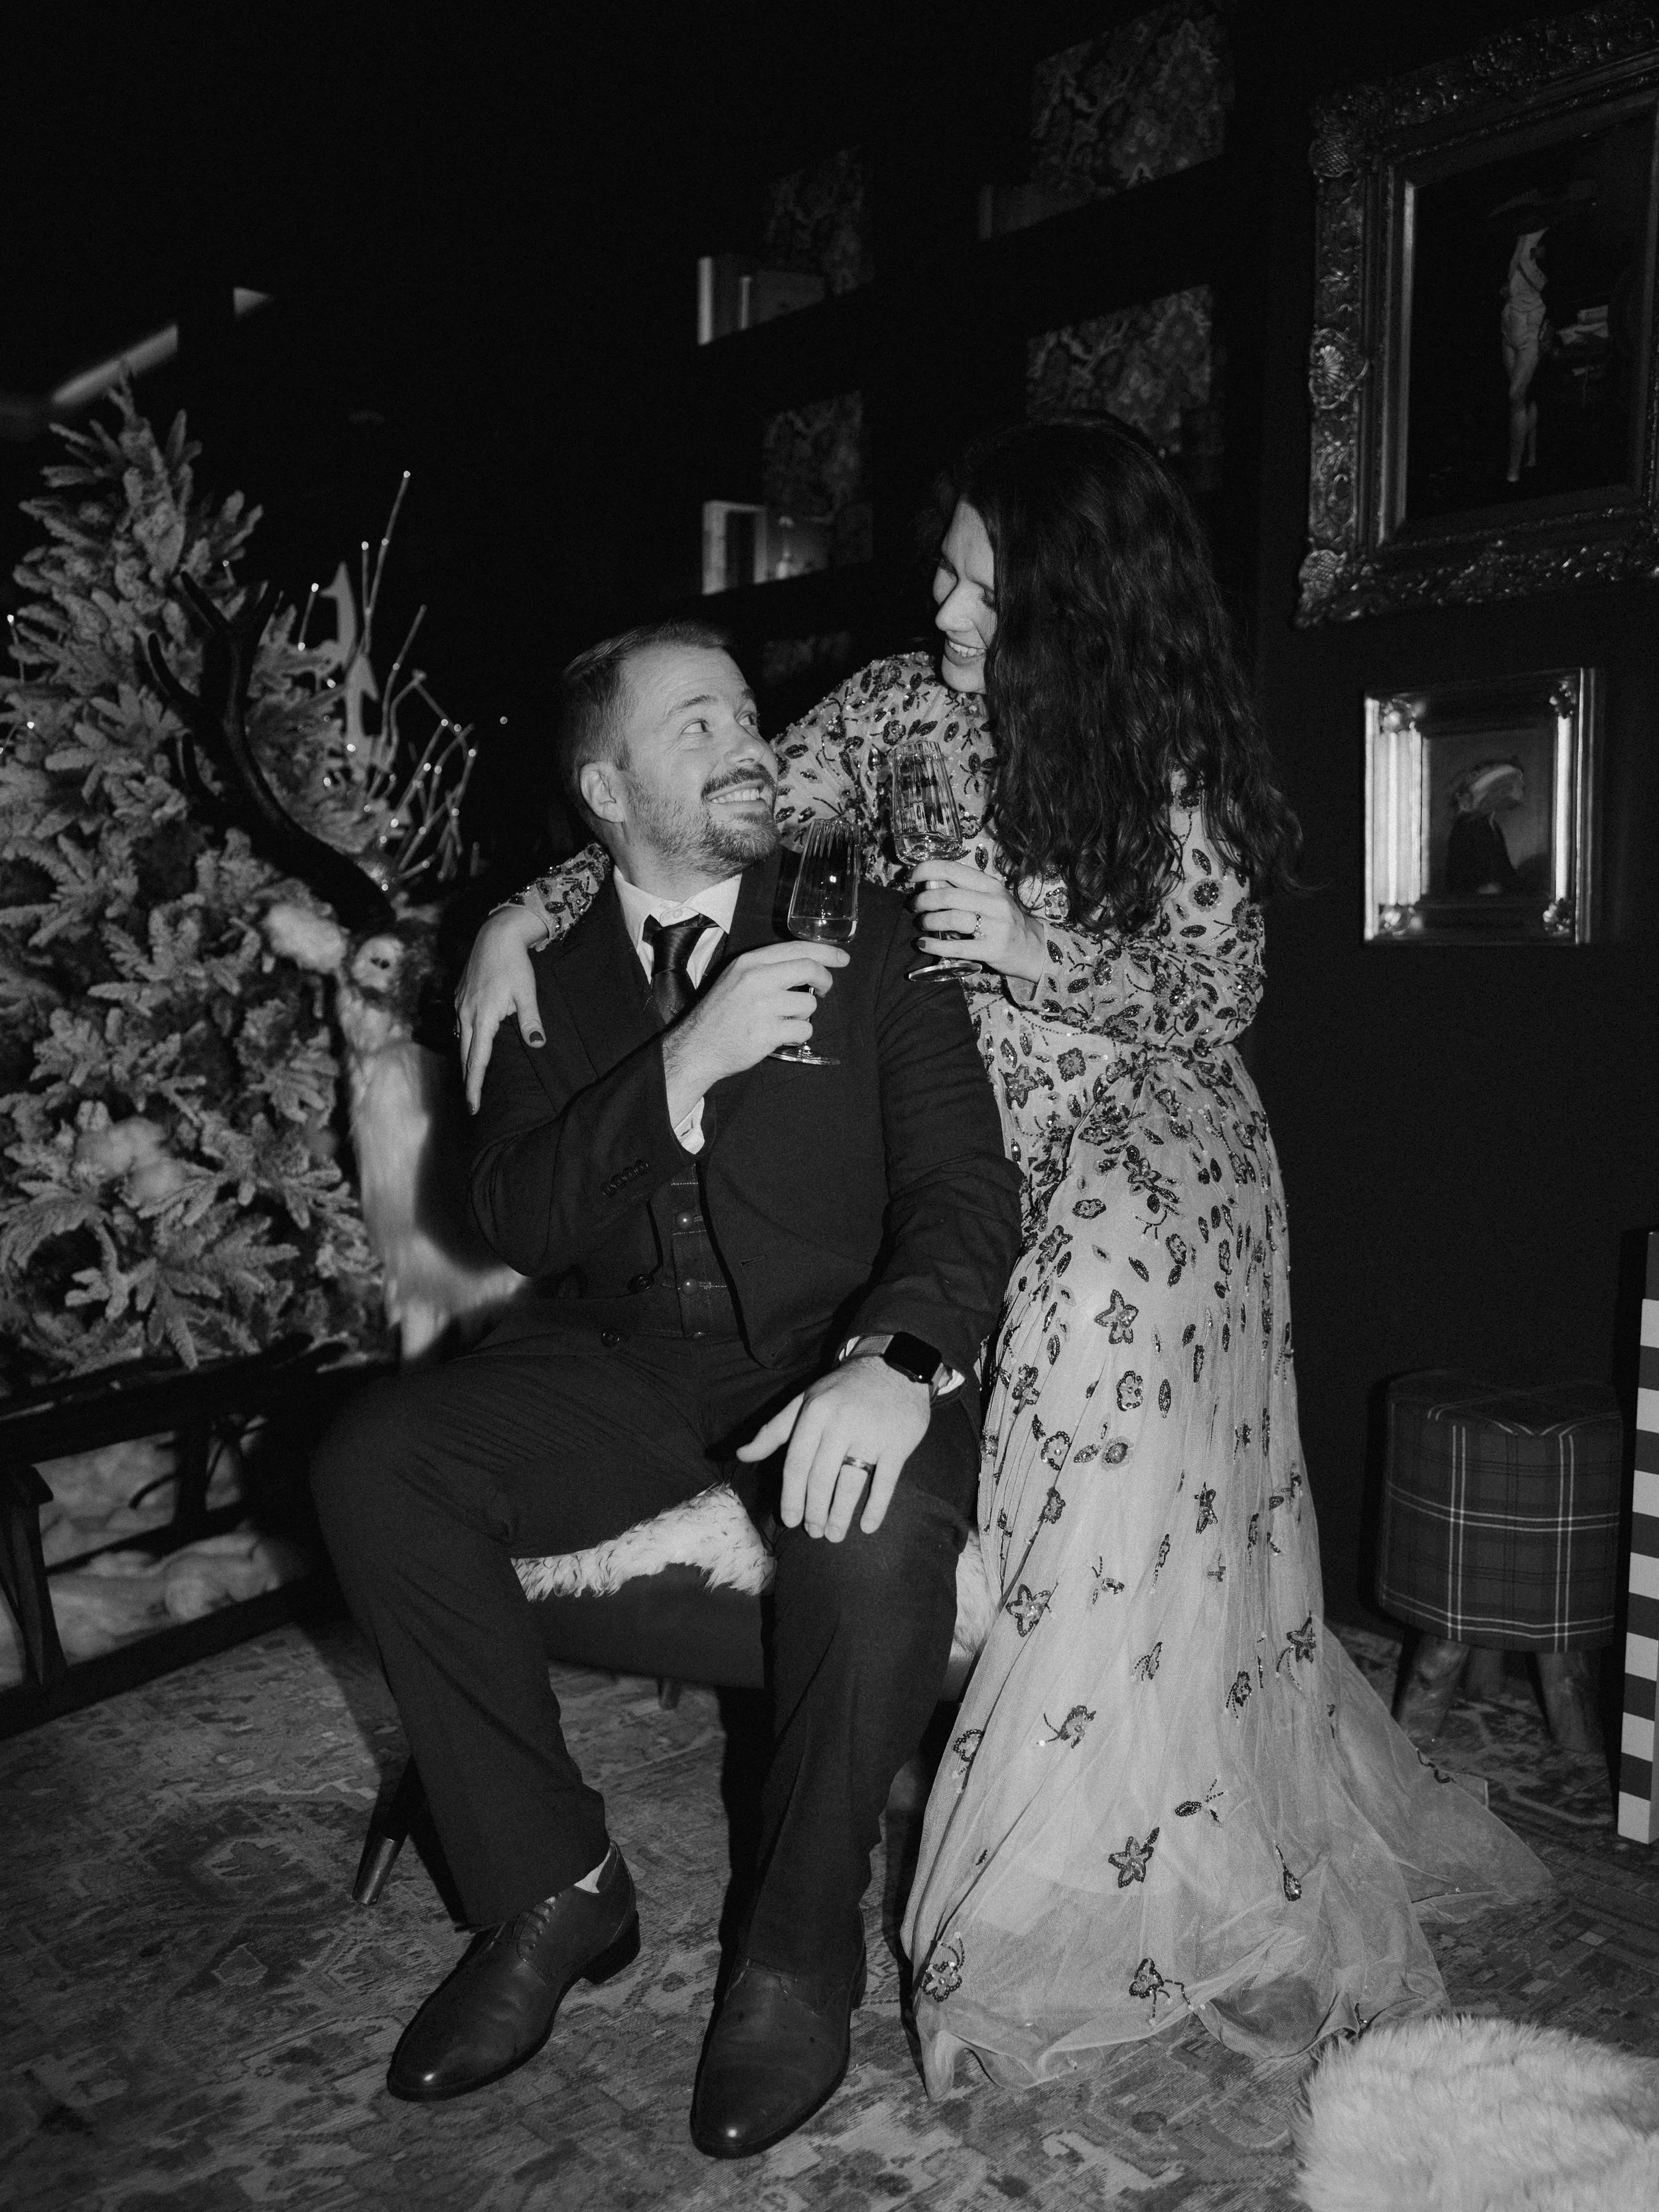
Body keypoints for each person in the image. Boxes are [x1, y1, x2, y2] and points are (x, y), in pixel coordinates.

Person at [455, 422, 1549, 2098]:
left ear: (1077, 600)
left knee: (1087, 1306)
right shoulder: (896, 709)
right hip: (955, 1114)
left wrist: (1044, 952)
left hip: (1140, 1121)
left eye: (977, 585)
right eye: (948, 579)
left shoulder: (1159, 743)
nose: (946, 612)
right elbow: (703, 813)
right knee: (963, 1277)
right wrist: (513, 919)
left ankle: (1097, 1839)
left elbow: (1216, 991)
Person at [312, 618, 1022, 2156]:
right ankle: (549, 1889)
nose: (745, 741)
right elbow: (508, 1211)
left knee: (871, 1535)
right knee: (376, 1461)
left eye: (746, 712)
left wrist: (898, 1355)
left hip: (835, 1345)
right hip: (626, 1362)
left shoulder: (865, 924)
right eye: (694, 725)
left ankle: (792, 1955)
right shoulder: (542, 979)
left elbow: (965, 1185)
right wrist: (680, 1067)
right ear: (606, 787)